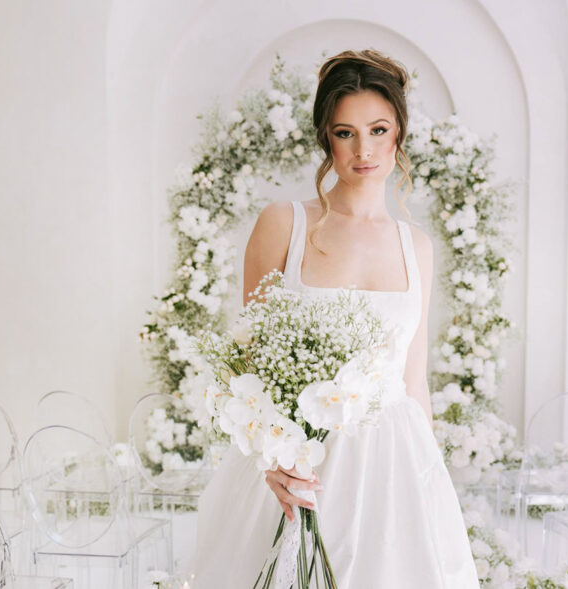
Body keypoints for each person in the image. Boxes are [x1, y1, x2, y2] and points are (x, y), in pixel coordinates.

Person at [195, 49, 480, 588]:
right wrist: (270, 462)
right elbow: (249, 365)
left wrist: (431, 485)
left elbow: (413, 381)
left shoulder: (416, 245)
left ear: (399, 132)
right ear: (327, 138)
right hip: (301, 461)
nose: (364, 149)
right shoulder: (285, 224)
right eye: (346, 132)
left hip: (392, 467)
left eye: (378, 129)